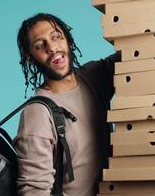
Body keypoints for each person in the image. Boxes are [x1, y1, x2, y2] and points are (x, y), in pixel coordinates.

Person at [13, 13, 120, 196]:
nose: (52, 48)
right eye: (40, 45)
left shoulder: (94, 77)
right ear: (31, 58)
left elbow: (135, 52)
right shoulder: (37, 113)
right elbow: (34, 191)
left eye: (56, 37)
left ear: (67, 40)